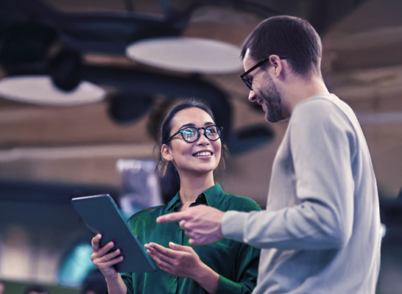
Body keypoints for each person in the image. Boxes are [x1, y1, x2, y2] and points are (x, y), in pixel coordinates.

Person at [156, 15, 382, 293]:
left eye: (251, 78)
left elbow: (328, 224)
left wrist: (226, 222)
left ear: (275, 64)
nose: (251, 95)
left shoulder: (314, 113)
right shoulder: (337, 113)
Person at [91, 99, 261, 293]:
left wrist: (200, 273)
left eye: (211, 131)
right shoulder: (141, 223)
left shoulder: (243, 212)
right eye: (189, 132)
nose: (204, 139)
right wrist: (111, 275)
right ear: (167, 151)